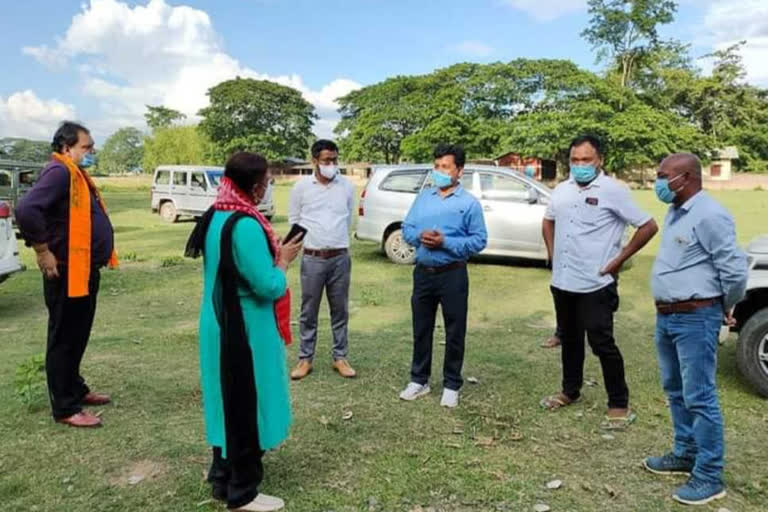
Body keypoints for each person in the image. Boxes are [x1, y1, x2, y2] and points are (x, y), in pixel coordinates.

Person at [186, 152, 302, 512]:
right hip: (245, 330)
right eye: (266, 182)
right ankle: (243, 492)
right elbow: (268, 285)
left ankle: (222, 479)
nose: (268, 187)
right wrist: (282, 260)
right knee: (248, 404)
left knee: (226, 403)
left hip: (217, 323)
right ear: (254, 185)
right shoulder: (246, 224)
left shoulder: (216, 214)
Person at [644, 153, 748, 506]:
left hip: (695, 316)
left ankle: (709, 474)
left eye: (663, 175)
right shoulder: (676, 210)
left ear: (685, 177)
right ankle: (685, 453)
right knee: (675, 389)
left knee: (700, 395)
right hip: (668, 317)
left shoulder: (710, 214)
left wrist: (724, 305)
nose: (657, 181)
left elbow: (734, 271)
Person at [540, 135, 658, 429]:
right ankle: (570, 390)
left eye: (586, 160)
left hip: (596, 284)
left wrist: (618, 260)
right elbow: (548, 221)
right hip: (563, 281)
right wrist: (553, 255)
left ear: (599, 161)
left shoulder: (613, 191)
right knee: (569, 340)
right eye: (575, 160)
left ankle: (618, 402)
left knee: (601, 342)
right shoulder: (562, 190)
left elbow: (648, 225)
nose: (579, 166)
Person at [15, 121, 118, 428]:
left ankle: (75, 389)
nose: (92, 152)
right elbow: (27, 209)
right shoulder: (59, 172)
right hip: (66, 270)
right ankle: (64, 407)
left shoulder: (75, 173)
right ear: (66, 148)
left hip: (84, 268)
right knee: (64, 337)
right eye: (86, 147)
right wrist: (42, 250)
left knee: (77, 333)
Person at [398, 144, 487, 408]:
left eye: (445, 167)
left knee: (455, 330)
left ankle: (451, 384)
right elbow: (407, 228)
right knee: (421, 328)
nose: (439, 171)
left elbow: (479, 240)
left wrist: (445, 242)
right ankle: (419, 380)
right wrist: (420, 237)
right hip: (423, 274)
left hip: (453, 275)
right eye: (436, 166)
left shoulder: (469, 203)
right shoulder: (424, 197)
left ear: (459, 170)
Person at [288, 139, 357, 380]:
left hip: (339, 257)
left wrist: (337, 241)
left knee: (340, 310)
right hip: (313, 258)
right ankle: (305, 358)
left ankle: (340, 357)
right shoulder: (301, 188)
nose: (332, 164)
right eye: (327, 160)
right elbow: (295, 220)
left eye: (335, 160)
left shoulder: (346, 186)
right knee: (309, 311)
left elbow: (347, 220)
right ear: (315, 160)